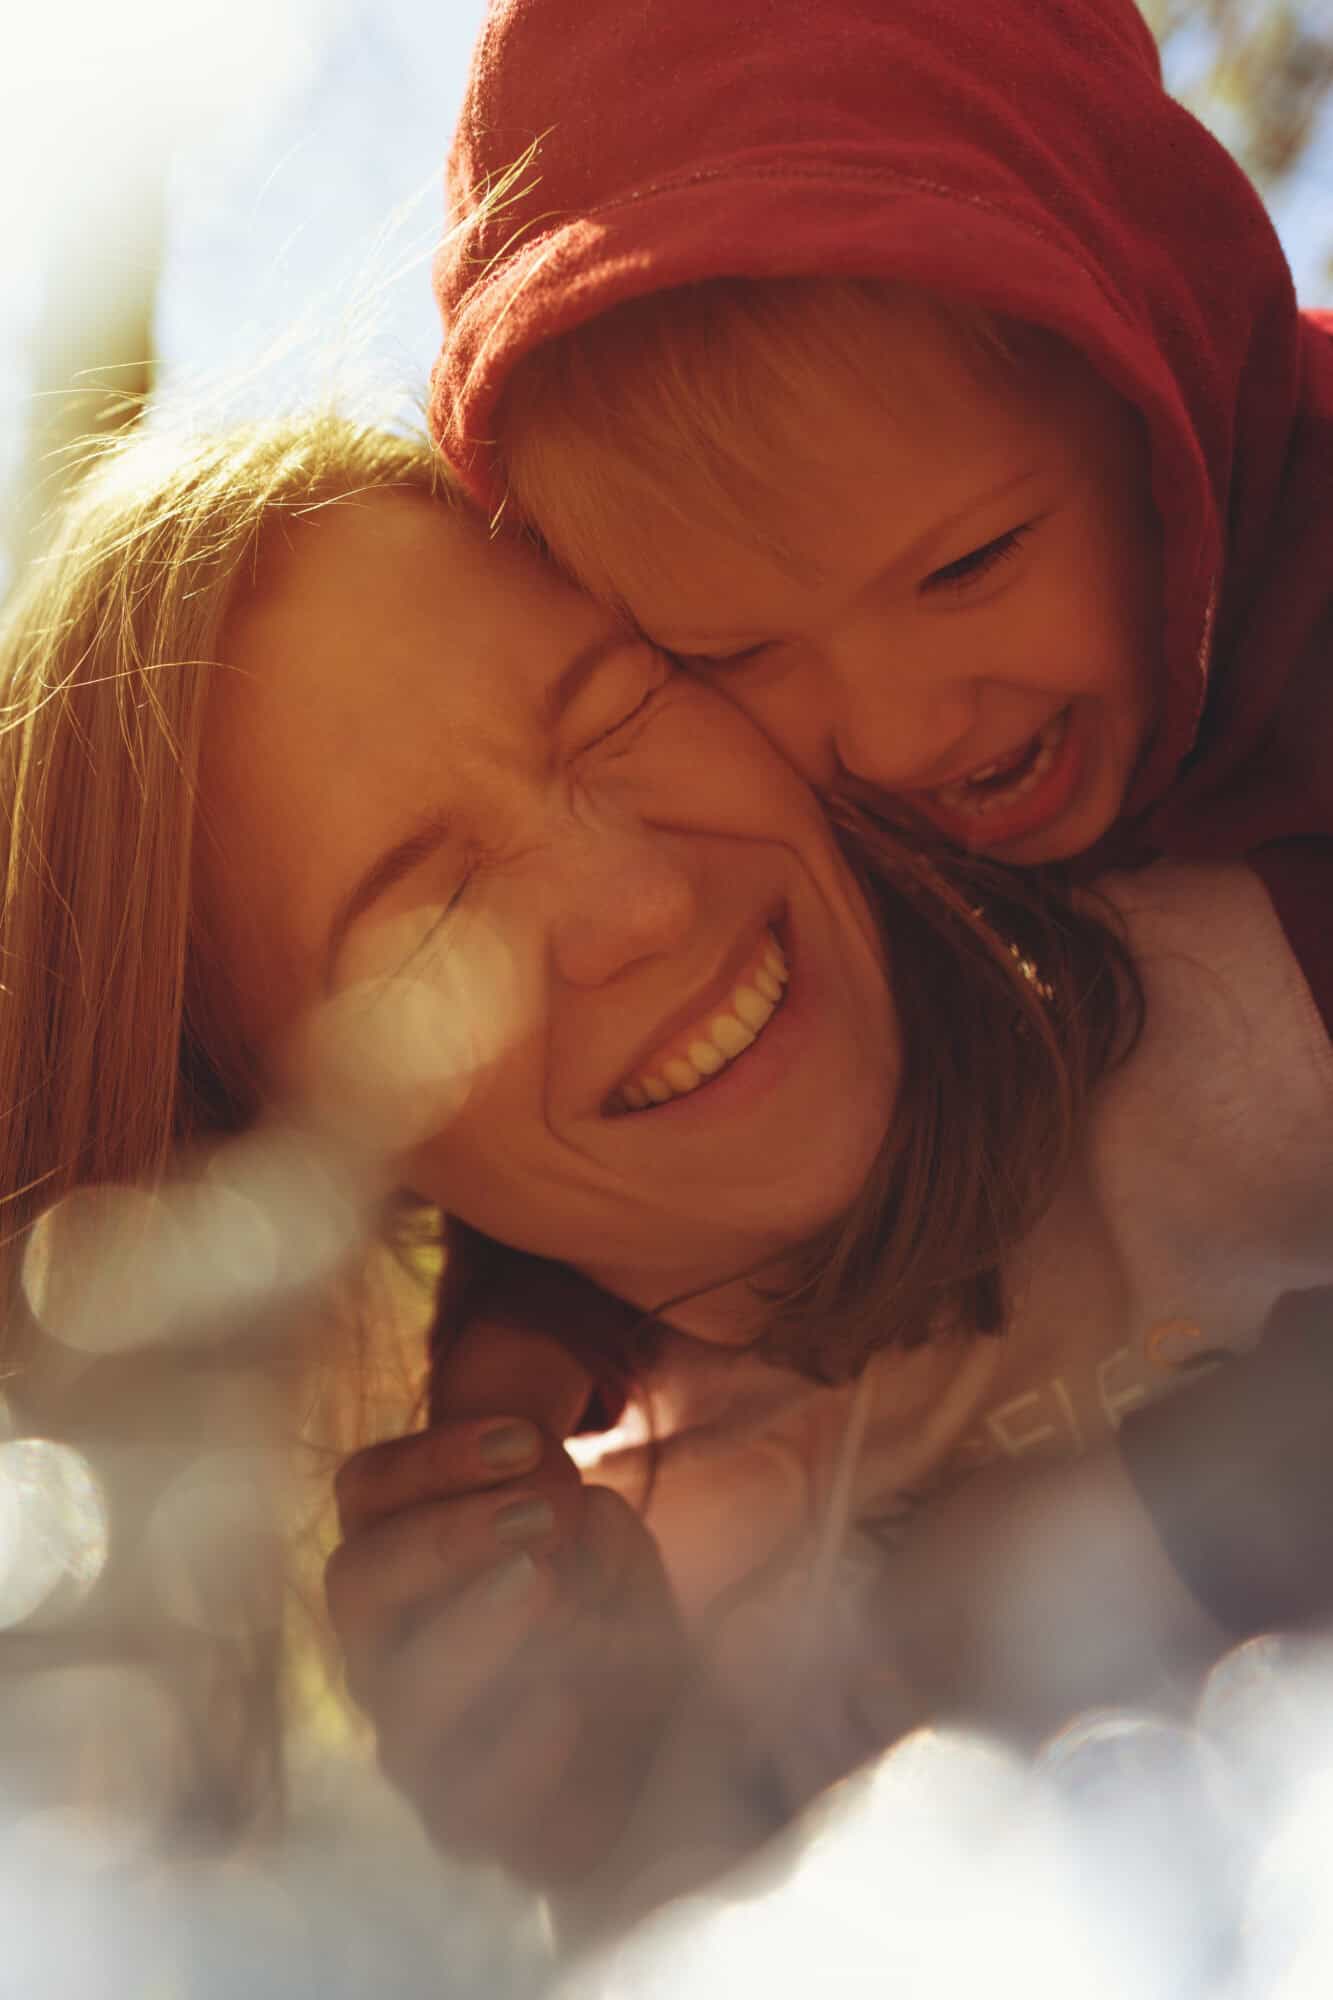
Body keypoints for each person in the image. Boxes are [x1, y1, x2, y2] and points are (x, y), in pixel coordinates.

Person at [0, 404, 1148, 1897]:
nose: (642, 901)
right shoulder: (613, 1654)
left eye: (618, 714)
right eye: (430, 935)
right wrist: (641, 1862)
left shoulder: (1246, 948)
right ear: (314, 1171)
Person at [423, 0, 1333, 1653]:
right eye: (729, 652)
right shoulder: (811, 810)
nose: (901, 731)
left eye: (967, 563)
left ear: (1153, 367)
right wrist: (521, 1332)